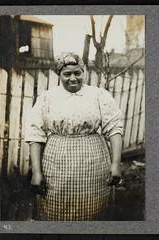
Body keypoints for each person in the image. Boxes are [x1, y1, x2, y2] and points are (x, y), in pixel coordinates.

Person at [24, 53, 123, 221]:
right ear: (59, 74)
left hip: (94, 163)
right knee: (55, 208)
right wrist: (36, 172)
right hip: (56, 163)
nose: (73, 78)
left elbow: (114, 129)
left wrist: (115, 164)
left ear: (84, 71)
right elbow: (35, 134)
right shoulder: (47, 98)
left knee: (93, 209)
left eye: (77, 72)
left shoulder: (99, 95)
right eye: (67, 74)